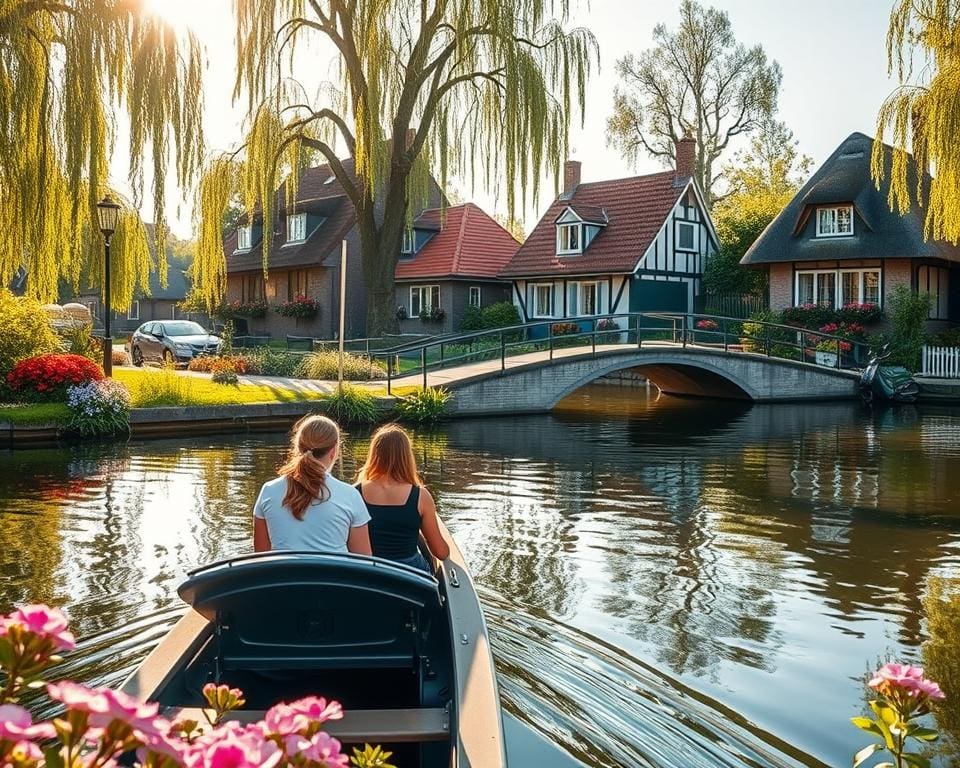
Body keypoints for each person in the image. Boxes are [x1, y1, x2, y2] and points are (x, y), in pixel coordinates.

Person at [253, 414, 372, 555]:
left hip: (285, 570)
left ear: (297, 447)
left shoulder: (269, 491)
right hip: (333, 570)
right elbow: (364, 559)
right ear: (334, 451)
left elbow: (260, 556)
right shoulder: (350, 496)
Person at [355, 424, 450, 572]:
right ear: (407, 457)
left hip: (371, 573)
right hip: (410, 573)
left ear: (374, 455)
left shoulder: (355, 492)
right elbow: (441, 553)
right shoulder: (421, 496)